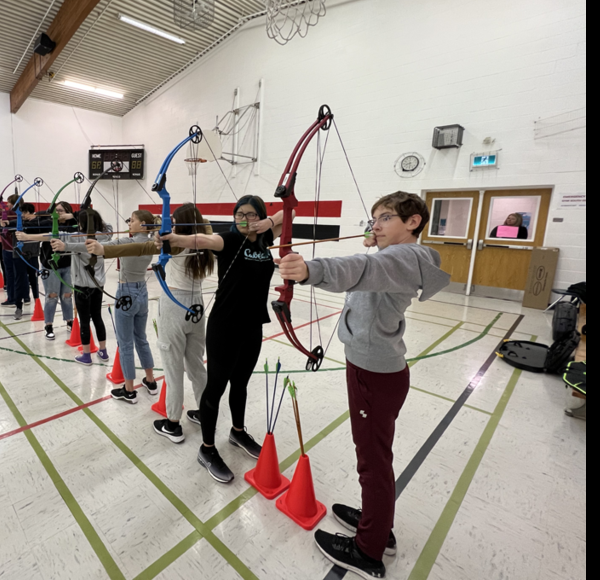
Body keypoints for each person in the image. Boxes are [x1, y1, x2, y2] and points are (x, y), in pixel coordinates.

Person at [278, 191, 451, 580]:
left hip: (374, 373)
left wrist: (310, 270)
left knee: (373, 464)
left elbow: (360, 269)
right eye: (373, 220)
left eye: (386, 218)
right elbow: (374, 269)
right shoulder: (403, 257)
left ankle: (368, 549)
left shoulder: (404, 257)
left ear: (413, 222)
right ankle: (376, 523)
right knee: (374, 458)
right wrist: (380, 242)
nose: (375, 225)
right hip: (376, 368)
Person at [160, 196, 286, 483]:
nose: (244, 219)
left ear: (260, 216)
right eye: (239, 214)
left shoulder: (265, 239)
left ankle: (237, 432)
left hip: (253, 325)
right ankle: (207, 449)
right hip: (225, 326)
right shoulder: (228, 239)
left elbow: (290, 210)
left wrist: (266, 223)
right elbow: (202, 242)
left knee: (240, 384)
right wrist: (173, 236)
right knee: (215, 388)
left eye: (251, 215)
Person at [87, 204, 215, 436]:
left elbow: (141, 246)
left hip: (175, 305)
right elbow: (202, 226)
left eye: (174, 221)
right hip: (196, 307)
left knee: (173, 368)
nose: (171, 225)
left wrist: (103, 250)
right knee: (196, 365)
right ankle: (206, 414)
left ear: (180, 225)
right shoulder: (207, 242)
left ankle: (173, 424)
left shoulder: (175, 242)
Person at [83, 210, 161, 404]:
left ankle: (129, 391)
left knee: (125, 343)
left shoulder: (128, 243)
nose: (129, 223)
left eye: (132, 220)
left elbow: (100, 247)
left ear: (143, 224)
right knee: (141, 338)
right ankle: (150, 381)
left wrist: (77, 244)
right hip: (142, 292)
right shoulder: (152, 243)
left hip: (126, 292)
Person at [50, 209, 113, 365]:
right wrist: (87, 219)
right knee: (97, 317)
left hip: (82, 287)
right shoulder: (104, 236)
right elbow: (110, 228)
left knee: (84, 320)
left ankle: (86, 355)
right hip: (98, 285)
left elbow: (51, 236)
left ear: (82, 223)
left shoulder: (76, 239)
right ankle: (103, 352)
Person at [15, 201, 77, 340]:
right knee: (52, 296)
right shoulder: (47, 222)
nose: (58, 213)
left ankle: (69, 322)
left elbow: (80, 222)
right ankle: (48, 325)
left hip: (67, 265)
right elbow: (36, 228)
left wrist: (69, 217)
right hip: (50, 265)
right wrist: (20, 229)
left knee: (67, 296)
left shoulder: (73, 225)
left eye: (62, 211)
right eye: (57, 210)